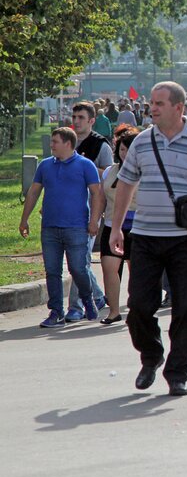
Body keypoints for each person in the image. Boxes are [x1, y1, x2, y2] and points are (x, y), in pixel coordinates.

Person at [109, 81, 187, 397]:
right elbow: (125, 184)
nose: (153, 107)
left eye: (160, 103)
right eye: (152, 102)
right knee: (138, 305)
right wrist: (117, 227)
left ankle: (178, 373)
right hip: (146, 237)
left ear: (179, 107)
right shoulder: (142, 142)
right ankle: (151, 356)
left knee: (184, 308)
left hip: (186, 239)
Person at [19, 127, 103, 328]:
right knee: (52, 271)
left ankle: (87, 298)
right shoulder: (45, 165)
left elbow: (97, 194)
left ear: (68, 143)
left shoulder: (85, 165)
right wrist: (24, 219)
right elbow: (33, 192)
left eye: (55, 141)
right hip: (49, 228)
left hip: (76, 228)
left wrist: (93, 221)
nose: (51, 145)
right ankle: (56, 312)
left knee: (78, 269)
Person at [68, 102, 110, 320]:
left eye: (81, 117)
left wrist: (88, 169)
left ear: (91, 120)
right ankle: (98, 296)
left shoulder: (100, 145)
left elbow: (111, 176)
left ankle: (76, 306)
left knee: (79, 260)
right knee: (80, 261)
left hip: (92, 208)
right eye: (74, 116)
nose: (76, 121)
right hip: (68, 208)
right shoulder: (66, 141)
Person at [96, 129, 139, 325]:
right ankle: (114, 311)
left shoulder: (146, 171)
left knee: (137, 270)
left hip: (138, 227)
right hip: (112, 226)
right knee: (108, 267)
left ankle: (137, 307)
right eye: (122, 149)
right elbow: (101, 198)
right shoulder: (110, 172)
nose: (125, 154)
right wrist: (93, 220)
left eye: (129, 150)